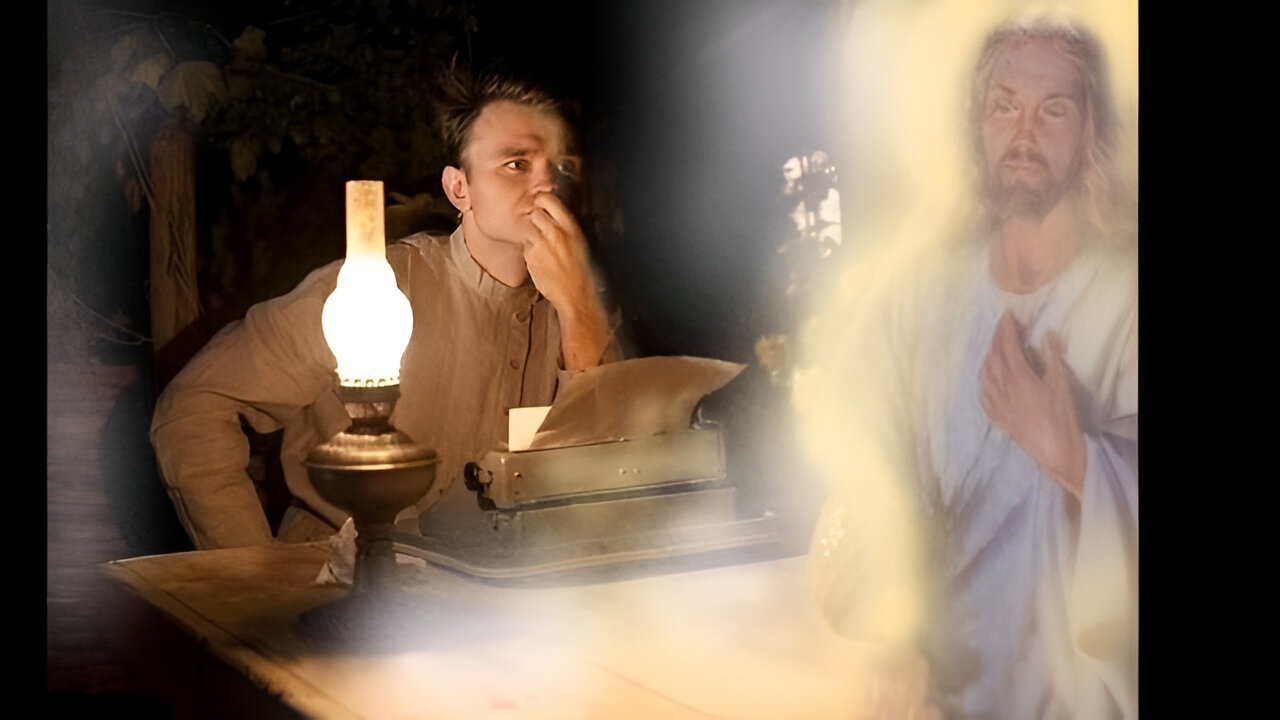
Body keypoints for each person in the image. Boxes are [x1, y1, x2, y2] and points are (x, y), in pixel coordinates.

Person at [803, 12, 1137, 719]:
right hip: (935, 694)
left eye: (1053, 110)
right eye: (1004, 106)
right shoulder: (919, 293)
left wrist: (1076, 458)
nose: (1024, 133)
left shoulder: (1126, 294)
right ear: (977, 122)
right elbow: (864, 472)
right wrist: (892, 626)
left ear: (1091, 132)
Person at [150, 68, 619, 550]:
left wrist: (579, 309)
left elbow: (618, 478)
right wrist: (251, 569)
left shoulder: (587, 311)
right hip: (339, 580)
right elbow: (194, 406)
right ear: (459, 188)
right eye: (517, 164)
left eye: (563, 168)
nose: (547, 184)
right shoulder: (374, 291)